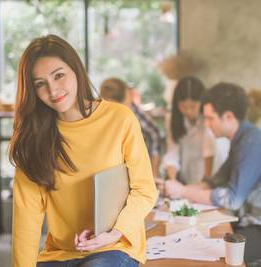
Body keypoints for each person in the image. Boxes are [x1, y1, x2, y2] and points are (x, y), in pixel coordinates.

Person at [9, 35, 157, 267]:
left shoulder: (119, 119)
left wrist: (115, 232)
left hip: (114, 248)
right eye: (40, 83)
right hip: (60, 254)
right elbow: (26, 220)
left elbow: (144, 190)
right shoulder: (33, 140)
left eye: (59, 75)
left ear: (76, 70)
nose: (53, 89)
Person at [157, 82, 261, 262]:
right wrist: (177, 189)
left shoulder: (251, 144)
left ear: (228, 117)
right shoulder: (242, 138)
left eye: (210, 118)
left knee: (211, 254)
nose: (207, 124)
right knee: (203, 241)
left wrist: (183, 191)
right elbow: (216, 180)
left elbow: (232, 200)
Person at [100, 77, 161, 178]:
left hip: (139, 171)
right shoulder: (103, 115)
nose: (130, 102)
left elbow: (154, 135)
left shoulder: (133, 112)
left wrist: (154, 172)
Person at [163, 76, 215, 184]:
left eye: (193, 106)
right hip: (186, 177)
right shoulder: (172, 118)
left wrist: (204, 183)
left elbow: (209, 153)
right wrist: (172, 180)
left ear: (202, 102)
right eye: (183, 106)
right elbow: (172, 151)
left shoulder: (209, 119)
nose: (188, 111)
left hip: (208, 177)